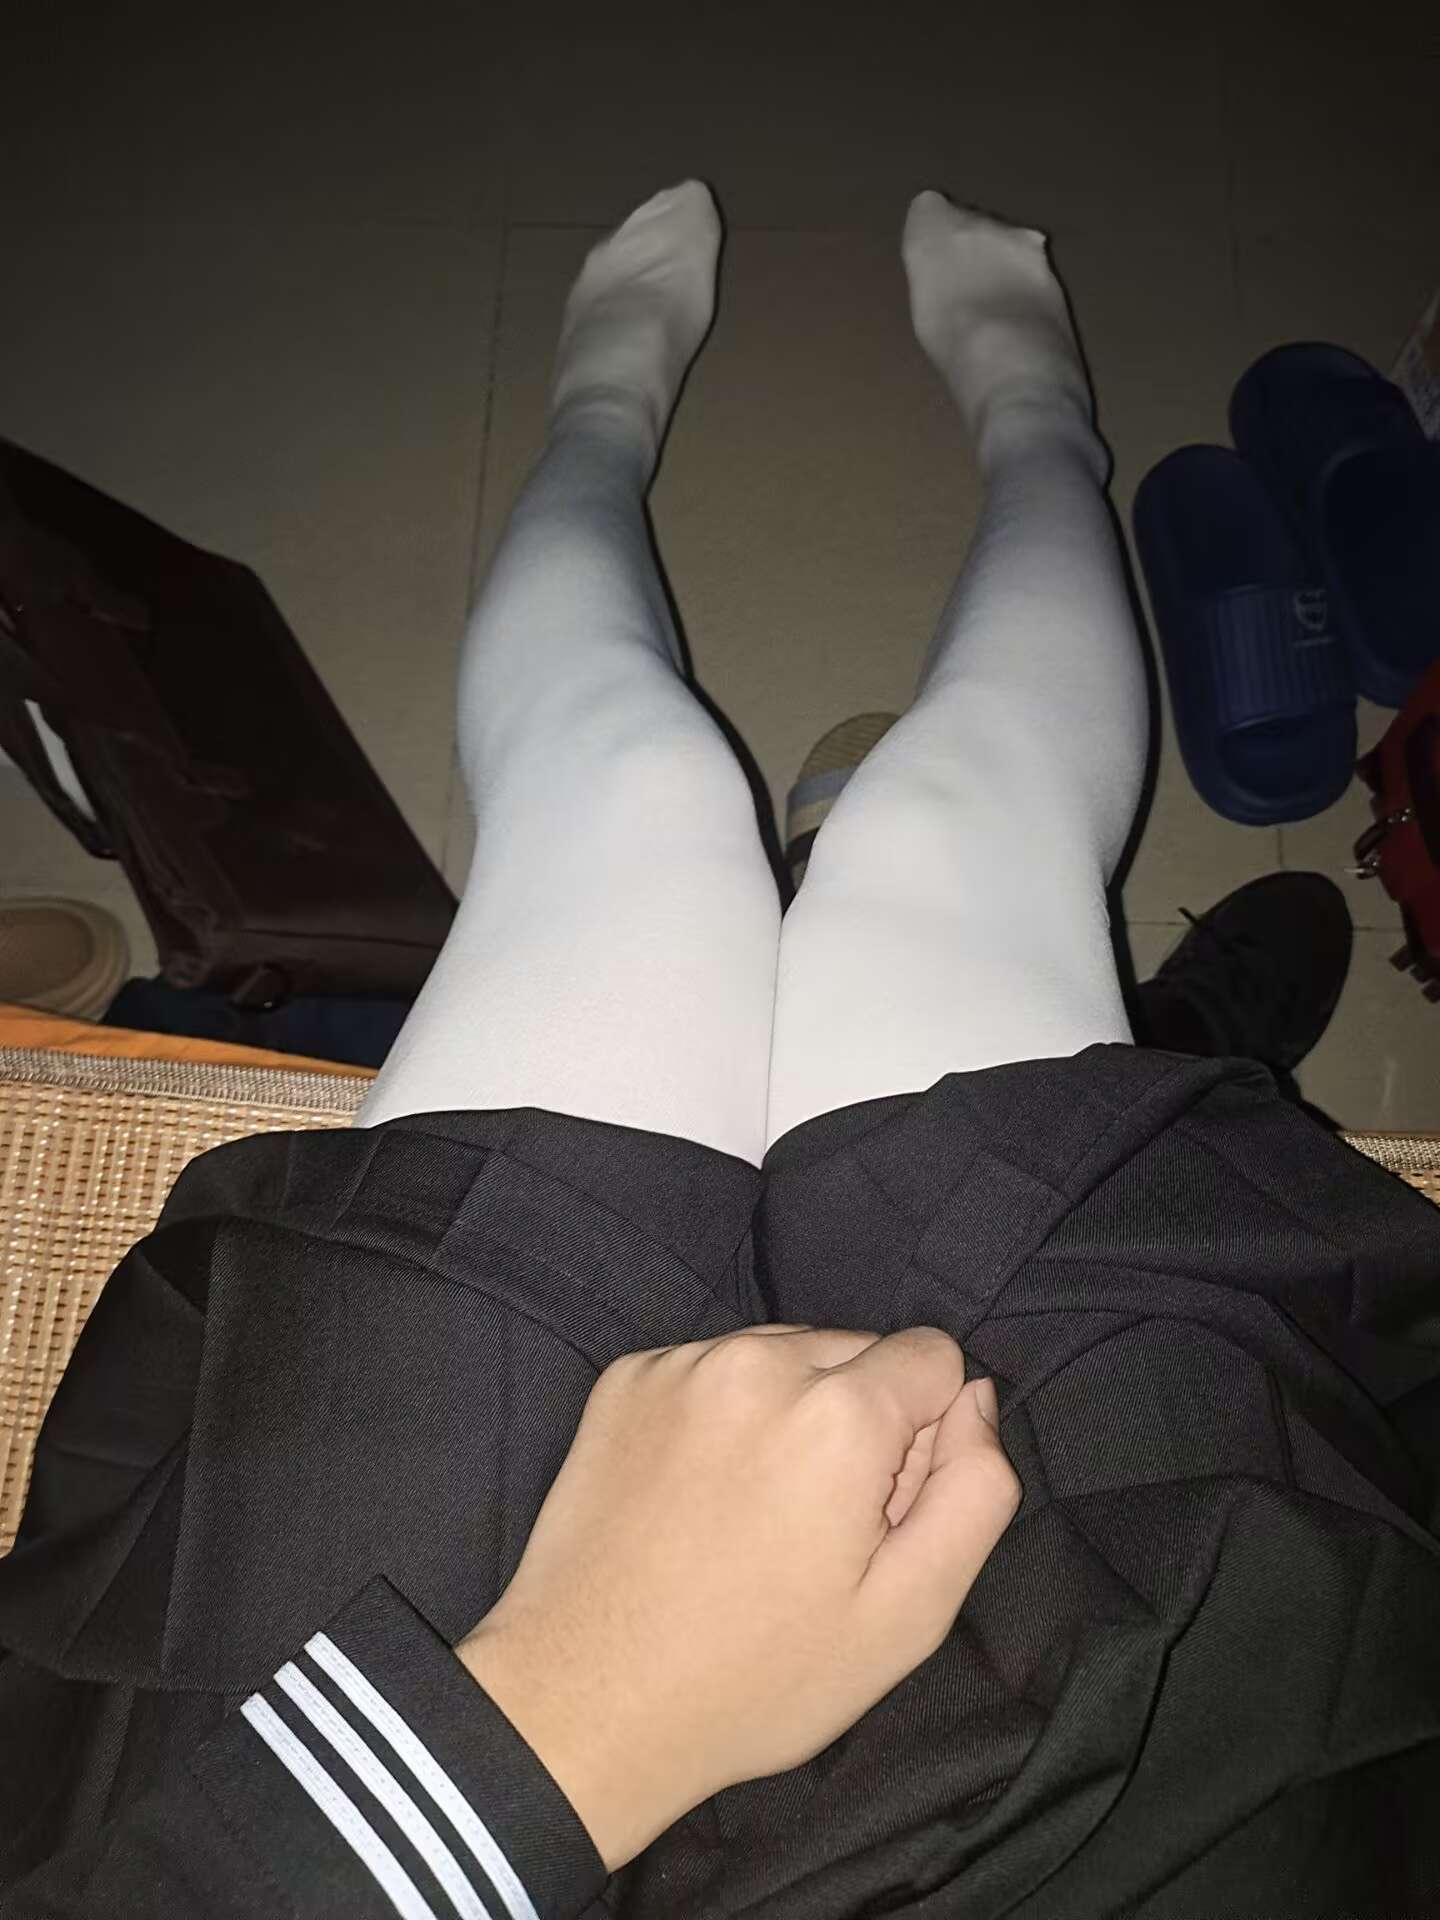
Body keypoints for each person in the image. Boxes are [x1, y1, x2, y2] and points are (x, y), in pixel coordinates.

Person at [1, 182, 1438, 1920]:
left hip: (300, 1780)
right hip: (1122, 1813)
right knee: (945, 839)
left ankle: (602, 407)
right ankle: (1037, 419)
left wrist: (567, 1721)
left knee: (637, 800)